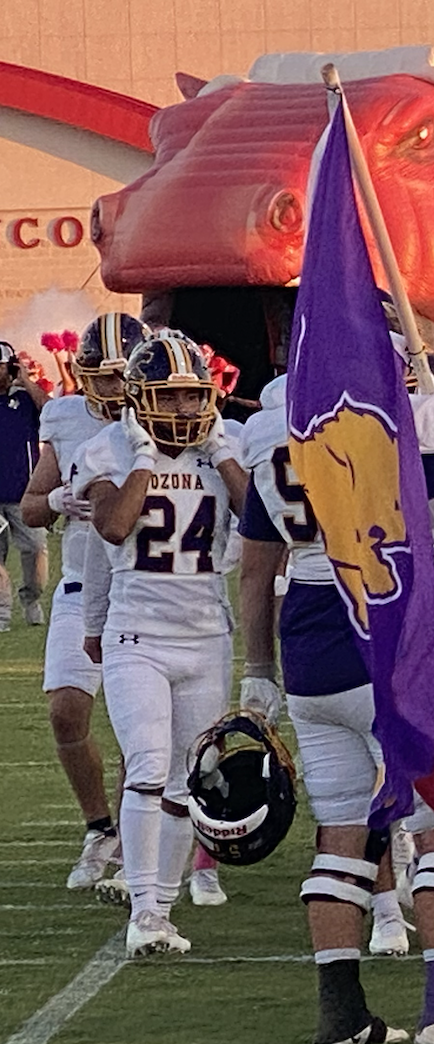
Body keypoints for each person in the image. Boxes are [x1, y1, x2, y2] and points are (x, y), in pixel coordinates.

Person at [239, 362, 434, 1043]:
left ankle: (343, 1014)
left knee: (342, 833)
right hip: (382, 628)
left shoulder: (270, 426)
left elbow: (254, 565)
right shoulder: (393, 420)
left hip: (307, 644)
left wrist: (258, 668)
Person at [72, 333, 247, 957]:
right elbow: (115, 527)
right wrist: (145, 460)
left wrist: (225, 454)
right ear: (142, 397)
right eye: (169, 396)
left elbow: (258, 517)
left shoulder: (220, 446)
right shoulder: (110, 447)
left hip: (206, 636)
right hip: (137, 634)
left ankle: (162, 910)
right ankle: (143, 909)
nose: (181, 409)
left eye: (191, 396)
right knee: (146, 765)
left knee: (187, 780)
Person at [21, 313, 143, 892]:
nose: (115, 391)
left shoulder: (170, 422)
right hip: (78, 583)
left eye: (124, 378)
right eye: (104, 377)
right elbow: (30, 507)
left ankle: (132, 839)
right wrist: (62, 497)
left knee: (138, 724)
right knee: (65, 710)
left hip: (146, 588)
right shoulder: (67, 415)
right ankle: (99, 828)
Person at [0, 339, 51, 628]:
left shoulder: (25, 400)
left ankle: (31, 598)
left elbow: (53, 411)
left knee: (35, 548)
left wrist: (27, 381)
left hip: (23, 493)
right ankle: (2, 613)